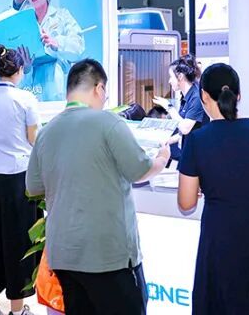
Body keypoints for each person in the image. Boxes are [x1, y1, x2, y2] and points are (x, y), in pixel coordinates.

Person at [27, 59, 170, 315]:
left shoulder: (47, 132)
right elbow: (139, 170)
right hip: (108, 254)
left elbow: (34, 186)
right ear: (99, 88)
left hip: (65, 254)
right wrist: (161, 159)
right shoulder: (108, 122)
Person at [178, 63, 249, 315]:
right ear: (238, 95)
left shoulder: (197, 140)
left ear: (204, 96)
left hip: (219, 238)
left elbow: (186, 202)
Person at [0, 46, 42, 315]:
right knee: (19, 240)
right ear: (19, 70)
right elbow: (34, 139)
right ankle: (17, 308)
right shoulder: (26, 99)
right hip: (19, 177)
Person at [25, 0, 84, 102]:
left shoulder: (62, 16)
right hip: (32, 88)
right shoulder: (26, 23)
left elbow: (78, 48)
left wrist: (57, 43)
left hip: (57, 84)